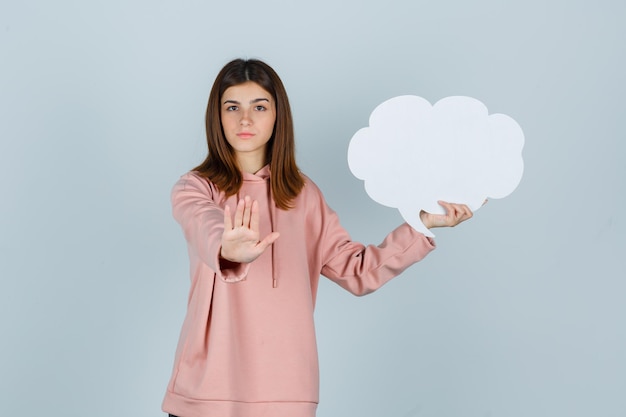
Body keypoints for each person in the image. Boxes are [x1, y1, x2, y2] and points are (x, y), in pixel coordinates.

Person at [162, 58, 474, 417]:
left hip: (288, 393)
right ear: (216, 117)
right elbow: (203, 221)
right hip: (205, 394)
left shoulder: (304, 195)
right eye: (232, 107)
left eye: (259, 106)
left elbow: (358, 272)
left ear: (278, 115)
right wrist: (226, 245)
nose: (244, 119)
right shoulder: (195, 187)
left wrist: (421, 225)